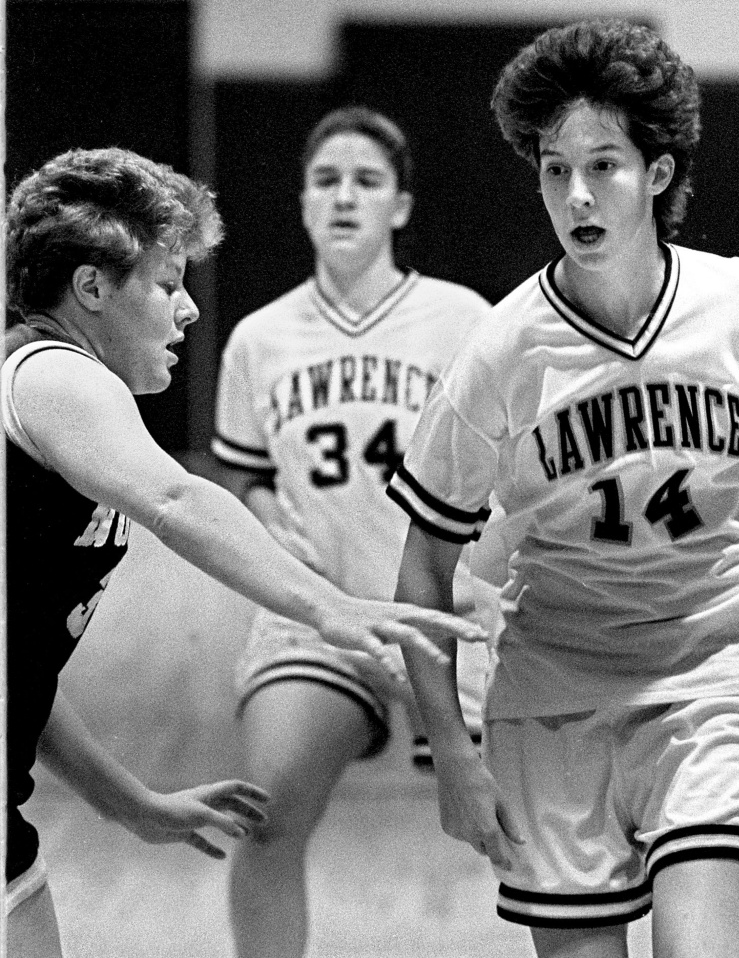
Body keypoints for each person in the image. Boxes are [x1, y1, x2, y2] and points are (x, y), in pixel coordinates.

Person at [389, 19, 739, 958]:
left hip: (716, 674)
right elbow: (421, 569)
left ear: (658, 173)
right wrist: (451, 758)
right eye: (554, 169)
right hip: (552, 697)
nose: (576, 193)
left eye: (605, 165)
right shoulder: (500, 353)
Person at [2, 146, 483, 958]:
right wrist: (330, 605)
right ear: (90, 289)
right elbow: (180, 498)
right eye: (166, 283)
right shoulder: (54, 374)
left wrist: (130, 804)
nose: (188, 309)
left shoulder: (65, 400)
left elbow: (22, 680)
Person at [211, 106, 495, 958]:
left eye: (366, 182)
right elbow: (243, 474)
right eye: (326, 181)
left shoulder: (462, 321)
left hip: (440, 617)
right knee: (264, 813)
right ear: (301, 203)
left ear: (400, 207)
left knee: (521, 829)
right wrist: (276, 534)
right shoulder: (257, 339)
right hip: (316, 617)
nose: (344, 197)